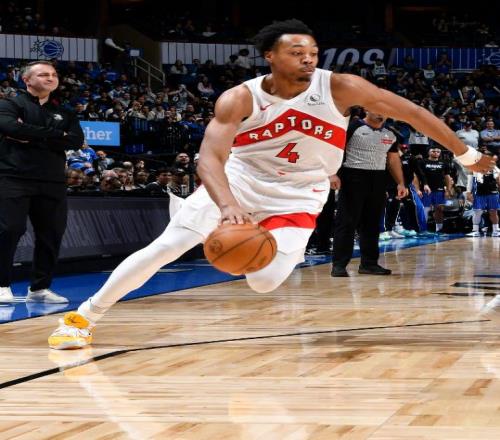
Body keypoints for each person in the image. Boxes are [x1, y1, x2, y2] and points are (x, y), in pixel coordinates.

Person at [48, 19, 495, 349]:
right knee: (167, 247)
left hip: (301, 192)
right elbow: (210, 159)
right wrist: (228, 206)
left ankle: (242, 236)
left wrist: (467, 155)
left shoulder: (340, 87)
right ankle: (83, 318)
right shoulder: (240, 97)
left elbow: (414, 113)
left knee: (263, 281)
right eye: (297, 52)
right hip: (241, 182)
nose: (308, 59)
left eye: (313, 52)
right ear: (270, 56)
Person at [0, 60, 84, 303]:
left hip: (52, 180)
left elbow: (75, 141)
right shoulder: (9, 104)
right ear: (26, 79)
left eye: (53, 74)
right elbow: (9, 128)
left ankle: (39, 288)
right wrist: (58, 135)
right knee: (9, 229)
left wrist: (30, 133)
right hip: (13, 176)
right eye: (43, 74)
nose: (50, 78)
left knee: (51, 234)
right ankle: (2, 285)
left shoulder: (66, 112)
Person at [331, 112, 407, 277]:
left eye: (384, 112)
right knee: (347, 222)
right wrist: (332, 173)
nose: (381, 114)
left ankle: (369, 264)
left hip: (378, 178)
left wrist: (400, 183)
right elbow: (335, 149)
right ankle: (339, 265)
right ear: (367, 108)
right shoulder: (352, 127)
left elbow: (393, 159)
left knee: (372, 224)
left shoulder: (390, 134)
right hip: (353, 176)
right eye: (377, 110)